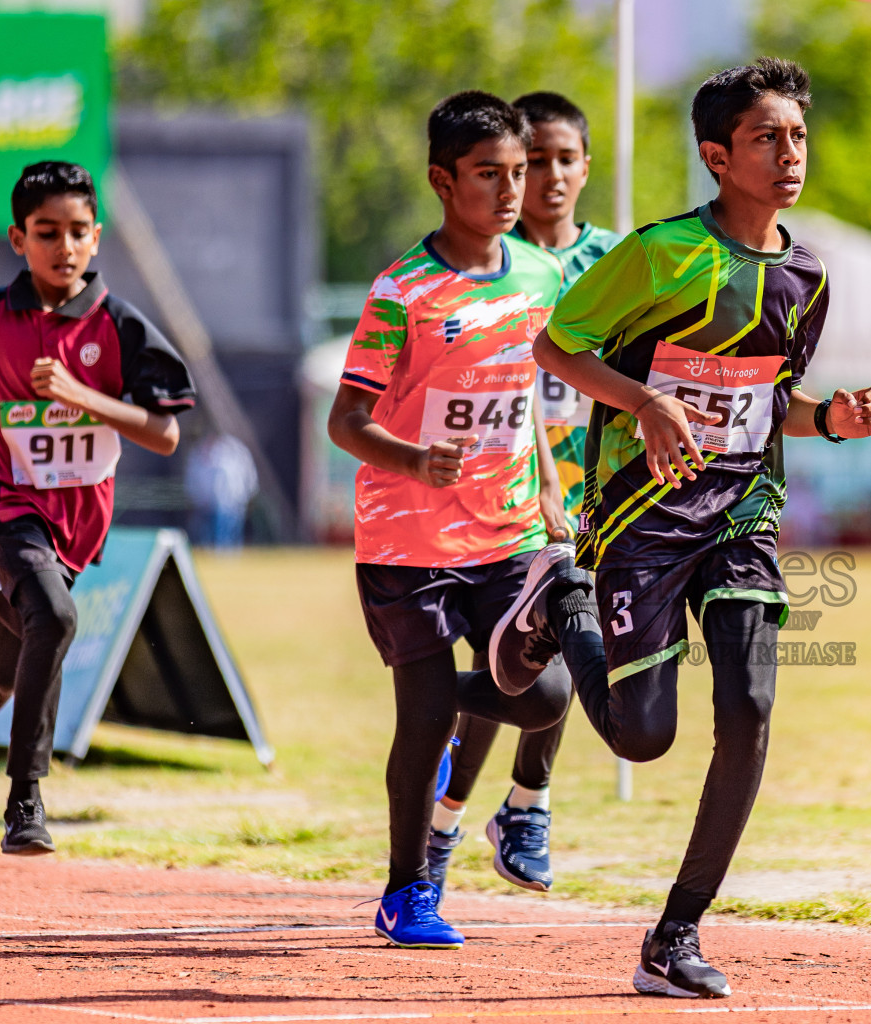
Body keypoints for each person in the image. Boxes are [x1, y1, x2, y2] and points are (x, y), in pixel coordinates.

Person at [495, 58, 871, 999]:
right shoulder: (662, 253)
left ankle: (674, 937)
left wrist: (830, 418)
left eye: (797, 135)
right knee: (641, 739)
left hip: (744, 514)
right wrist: (646, 405)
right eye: (766, 138)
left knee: (751, 712)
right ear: (717, 156)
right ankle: (563, 602)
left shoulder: (808, 273)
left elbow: (773, 398)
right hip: (641, 517)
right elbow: (556, 346)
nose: (789, 153)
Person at [326, 91, 572, 951]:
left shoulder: (539, 276)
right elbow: (345, 422)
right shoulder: (404, 292)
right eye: (489, 176)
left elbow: (528, 398)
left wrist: (547, 488)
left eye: (521, 173)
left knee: (543, 692)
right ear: (442, 180)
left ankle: (423, 726)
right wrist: (413, 460)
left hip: (506, 536)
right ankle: (406, 893)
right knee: (428, 717)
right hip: (407, 544)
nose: (513, 191)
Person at [0, 161, 196, 854]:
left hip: (76, 526)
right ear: (18, 239)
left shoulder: (121, 327)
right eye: (47, 232)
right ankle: (26, 800)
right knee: (53, 614)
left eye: (78, 231)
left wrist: (85, 398)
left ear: (98, 237)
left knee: (8, 661)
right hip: (0, 503)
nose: (64, 247)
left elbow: (166, 433)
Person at [428, 91, 622, 898]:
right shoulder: (481, 260)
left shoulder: (613, 263)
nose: (546, 176)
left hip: (588, 491)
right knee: (505, 662)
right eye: (531, 159)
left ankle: (522, 804)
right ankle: (448, 820)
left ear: (585, 168)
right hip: (493, 490)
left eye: (563, 160)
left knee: (568, 647)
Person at [184, 432, 258, 549]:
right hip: (208, 504)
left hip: (234, 502)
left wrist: (247, 496)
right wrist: (198, 499)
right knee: (208, 536)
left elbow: (249, 477)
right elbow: (194, 480)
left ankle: (229, 559)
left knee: (231, 535)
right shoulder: (200, 454)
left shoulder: (238, 453)